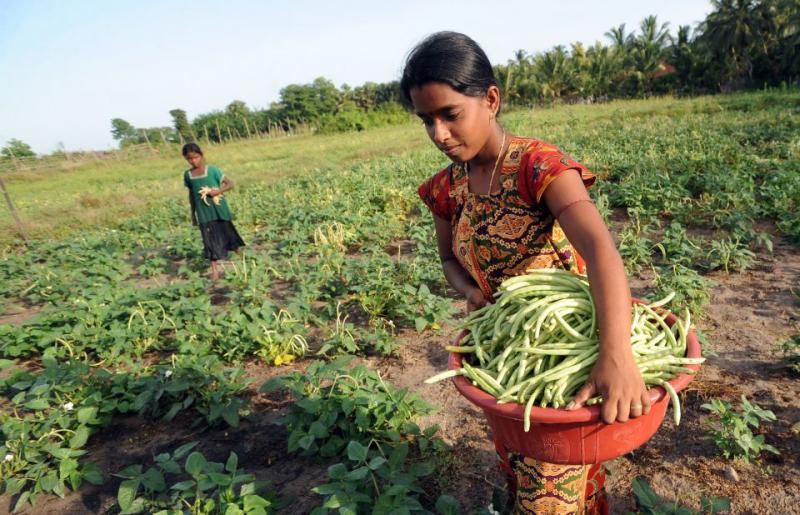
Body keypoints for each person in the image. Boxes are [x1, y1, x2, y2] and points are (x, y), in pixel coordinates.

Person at [403, 32, 648, 514]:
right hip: (511, 357)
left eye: (450, 114)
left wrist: (616, 355)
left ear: (491, 100)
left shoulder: (540, 168)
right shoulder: (445, 188)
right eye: (426, 120)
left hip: (570, 353)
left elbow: (600, 249)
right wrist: (470, 291)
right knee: (519, 459)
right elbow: (448, 260)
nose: (439, 134)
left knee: (552, 486)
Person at [182, 143, 245, 280]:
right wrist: (193, 214)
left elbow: (230, 184)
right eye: (189, 159)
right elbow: (192, 195)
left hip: (219, 210)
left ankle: (242, 256)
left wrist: (218, 191)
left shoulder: (212, 170)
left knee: (229, 234)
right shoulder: (188, 175)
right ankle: (215, 271)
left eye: (196, 157)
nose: (193, 161)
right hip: (204, 213)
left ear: (201, 155)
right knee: (209, 241)